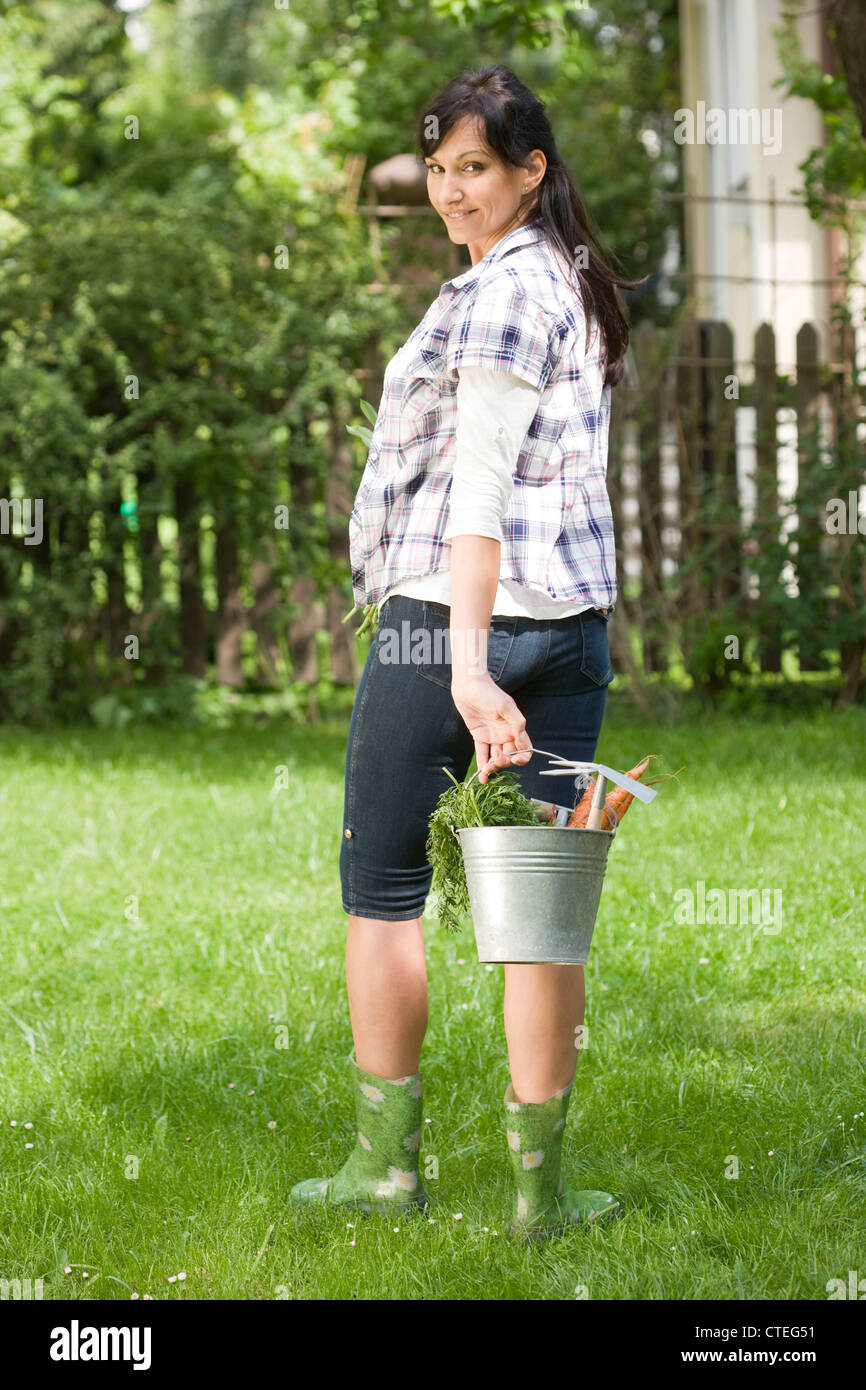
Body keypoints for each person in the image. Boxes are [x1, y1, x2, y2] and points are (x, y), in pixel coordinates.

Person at [289, 64, 645, 1241]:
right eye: (438, 169)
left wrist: (463, 664)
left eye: (473, 169)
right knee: (543, 918)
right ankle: (542, 1195)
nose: (450, 190)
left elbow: (478, 497)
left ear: (529, 171)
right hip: (572, 633)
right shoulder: (567, 283)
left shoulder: (497, 298)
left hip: (447, 625)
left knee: (382, 891)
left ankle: (386, 1171)